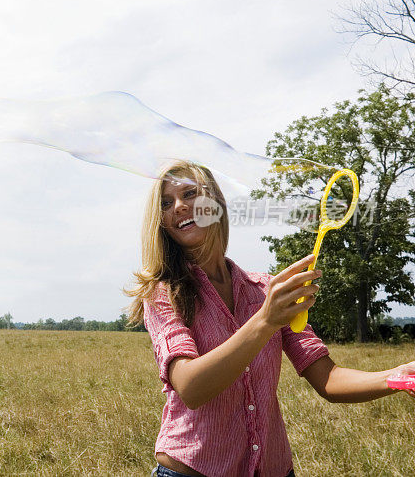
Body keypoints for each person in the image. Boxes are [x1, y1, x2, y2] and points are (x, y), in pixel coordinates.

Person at [124, 160, 415, 477]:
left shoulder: (265, 290)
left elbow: (329, 380)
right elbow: (191, 388)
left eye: (190, 193)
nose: (178, 206)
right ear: (162, 221)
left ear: (216, 206)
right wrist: (265, 321)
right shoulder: (163, 293)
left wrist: (400, 375)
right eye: (166, 203)